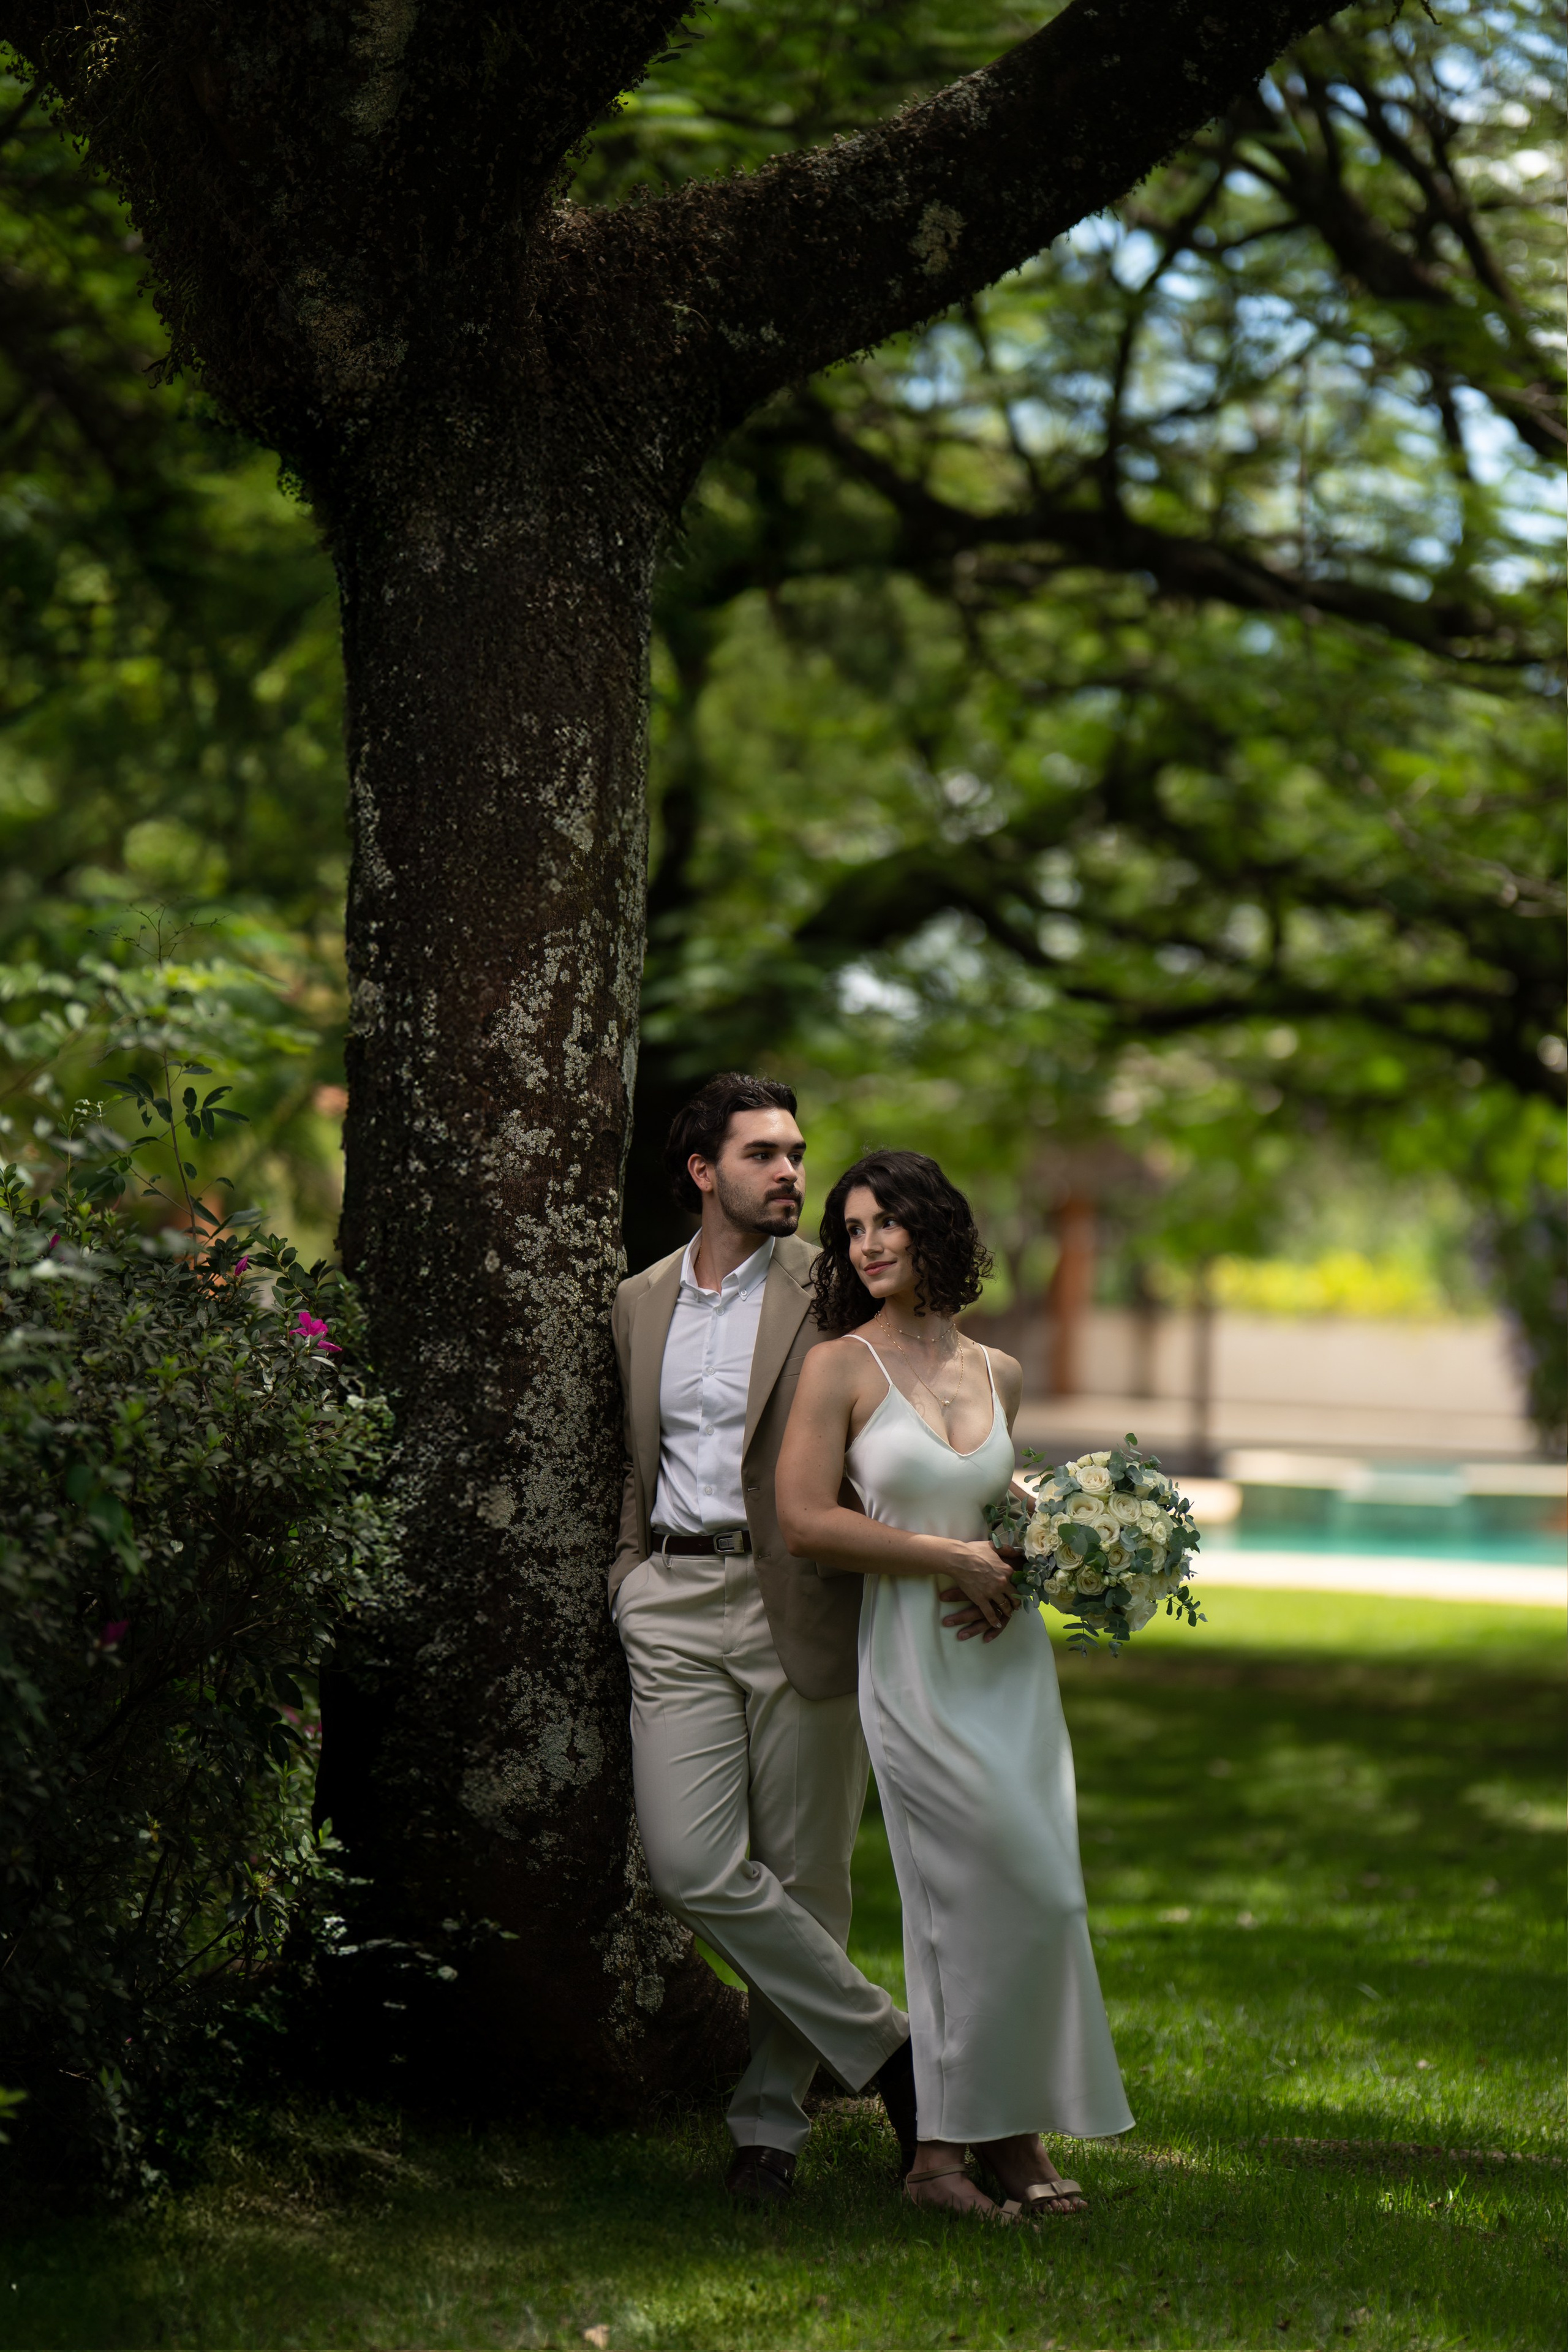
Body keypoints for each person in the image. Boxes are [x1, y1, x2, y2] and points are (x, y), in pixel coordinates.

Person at [776, 1148, 1133, 2220]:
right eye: (851, 1230)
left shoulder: (999, 1370)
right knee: (967, 1901)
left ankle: (971, 2142)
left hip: (1006, 1665)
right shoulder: (839, 1366)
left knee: (1044, 1896)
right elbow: (804, 1521)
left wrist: (1021, 1571)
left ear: (935, 1230)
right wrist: (949, 1562)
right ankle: (967, 2153)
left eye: (887, 1222)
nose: (868, 1244)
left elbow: (998, 1522)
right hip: (913, 1659)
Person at [609, 1074, 917, 2201]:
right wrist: (629, 1569)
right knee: (692, 1864)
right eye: (764, 1156)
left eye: (797, 1153)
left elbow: (925, 1404)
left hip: (805, 1597)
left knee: (807, 1872)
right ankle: (894, 2052)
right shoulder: (639, 1299)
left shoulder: (837, 1287)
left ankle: (769, 2128)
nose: (793, 1173)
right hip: (675, 1597)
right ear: (703, 1173)